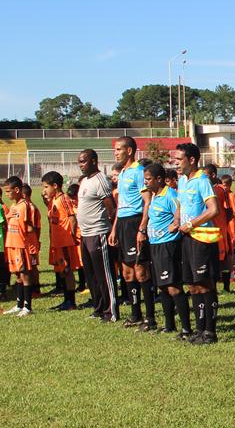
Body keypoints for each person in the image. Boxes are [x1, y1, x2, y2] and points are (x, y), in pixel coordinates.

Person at [174, 142, 221, 343]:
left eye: (178, 159)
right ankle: (199, 329)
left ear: (191, 160)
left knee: (204, 284)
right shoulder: (183, 180)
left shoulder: (202, 180)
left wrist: (191, 223)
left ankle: (210, 331)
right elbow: (180, 204)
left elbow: (213, 209)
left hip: (201, 238)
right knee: (192, 285)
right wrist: (177, 221)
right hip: (186, 238)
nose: (175, 163)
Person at [142, 161, 194, 338]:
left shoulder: (170, 194)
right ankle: (169, 324)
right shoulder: (154, 195)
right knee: (162, 287)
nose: (145, 183)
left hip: (168, 245)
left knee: (173, 287)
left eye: (148, 179)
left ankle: (186, 329)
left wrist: (176, 223)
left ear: (159, 179)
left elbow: (181, 210)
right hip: (155, 245)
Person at [109, 136, 155, 330]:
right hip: (123, 225)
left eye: (119, 149)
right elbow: (120, 205)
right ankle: (136, 314)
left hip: (136, 222)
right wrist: (114, 229)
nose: (116, 152)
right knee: (127, 272)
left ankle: (150, 317)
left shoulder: (138, 172)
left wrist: (142, 227)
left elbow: (147, 201)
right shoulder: (122, 173)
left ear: (129, 151)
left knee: (140, 270)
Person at [76, 149, 118, 322]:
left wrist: (110, 230)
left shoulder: (101, 181)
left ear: (94, 161)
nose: (80, 165)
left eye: (83, 161)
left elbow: (112, 209)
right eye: (79, 162)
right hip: (85, 234)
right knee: (90, 274)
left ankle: (111, 311)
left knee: (104, 275)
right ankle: (98, 308)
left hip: (98, 233)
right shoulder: (85, 181)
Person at [41, 171, 80, 311]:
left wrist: (73, 236)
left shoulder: (63, 199)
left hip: (65, 242)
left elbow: (72, 218)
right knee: (62, 271)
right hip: (57, 243)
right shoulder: (53, 201)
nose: (44, 190)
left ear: (55, 186)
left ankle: (71, 302)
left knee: (67, 270)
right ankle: (66, 300)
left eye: (46, 187)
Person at [1, 176, 37, 317]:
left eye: (8, 191)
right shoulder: (14, 206)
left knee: (25, 274)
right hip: (11, 244)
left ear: (17, 190)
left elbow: (29, 227)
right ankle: (19, 305)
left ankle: (27, 307)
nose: (7, 194)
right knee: (17, 275)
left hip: (21, 245)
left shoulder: (24, 206)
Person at [204, 163, 234, 293]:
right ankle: (213, 287)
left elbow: (228, 211)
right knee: (212, 259)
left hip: (220, 230)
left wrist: (224, 226)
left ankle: (226, 287)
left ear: (213, 175)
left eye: (206, 175)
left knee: (224, 259)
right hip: (209, 230)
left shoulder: (220, 190)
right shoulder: (205, 188)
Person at [65, 181, 87, 295]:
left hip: (83, 237)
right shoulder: (72, 207)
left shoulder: (84, 206)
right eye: (71, 198)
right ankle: (82, 284)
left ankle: (86, 283)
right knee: (78, 262)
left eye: (74, 198)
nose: (73, 201)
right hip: (76, 238)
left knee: (84, 261)